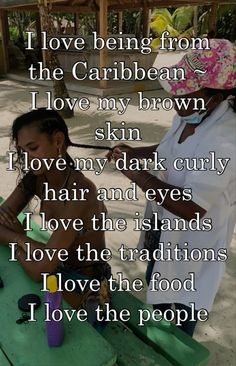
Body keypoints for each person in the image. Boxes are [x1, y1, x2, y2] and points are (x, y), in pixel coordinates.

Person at [107, 38, 236, 337]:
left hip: (194, 239)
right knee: (159, 284)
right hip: (167, 227)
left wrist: (137, 175)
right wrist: (136, 152)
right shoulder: (191, 112)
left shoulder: (224, 140)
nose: (174, 102)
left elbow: (191, 209)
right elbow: (170, 148)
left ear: (214, 98)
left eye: (183, 95)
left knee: (179, 309)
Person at [0, 108, 111, 324]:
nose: (28, 158)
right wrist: (27, 244)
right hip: (57, 267)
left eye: (33, 148)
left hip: (88, 286)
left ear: (58, 140)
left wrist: (19, 239)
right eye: (23, 151)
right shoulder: (38, 178)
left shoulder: (82, 191)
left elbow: (39, 271)